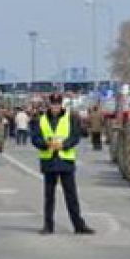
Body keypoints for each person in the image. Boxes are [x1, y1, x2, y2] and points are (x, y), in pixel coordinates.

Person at [31, 92, 95, 236]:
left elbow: (75, 136)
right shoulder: (41, 119)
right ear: (49, 105)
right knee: (49, 197)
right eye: (53, 104)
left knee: (71, 196)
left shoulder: (70, 118)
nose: (55, 107)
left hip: (65, 160)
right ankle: (48, 226)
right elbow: (35, 138)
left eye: (57, 104)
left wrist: (64, 145)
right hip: (49, 161)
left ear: (61, 105)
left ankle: (78, 225)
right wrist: (46, 144)